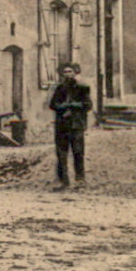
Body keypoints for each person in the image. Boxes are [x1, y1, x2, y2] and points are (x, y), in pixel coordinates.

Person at [47, 62, 92, 190]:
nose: (67, 74)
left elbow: (88, 105)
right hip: (62, 125)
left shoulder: (83, 88)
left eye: (70, 72)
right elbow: (52, 104)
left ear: (75, 73)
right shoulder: (59, 88)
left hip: (76, 125)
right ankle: (63, 181)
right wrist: (62, 106)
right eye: (65, 72)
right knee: (61, 154)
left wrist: (73, 105)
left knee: (78, 152)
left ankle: (80, 179)